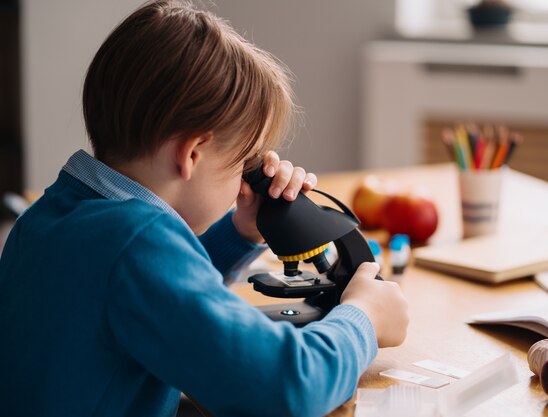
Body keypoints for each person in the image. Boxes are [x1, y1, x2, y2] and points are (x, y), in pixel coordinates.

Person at [0, 1, 409, 417]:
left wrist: (240, 231)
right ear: (193, 154)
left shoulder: (51, 215)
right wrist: (364, 319)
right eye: (242, 164)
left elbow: (151, 302)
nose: (242, 182)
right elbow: (285, 385)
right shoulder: (136, 243)